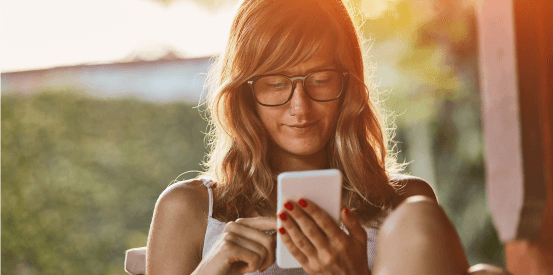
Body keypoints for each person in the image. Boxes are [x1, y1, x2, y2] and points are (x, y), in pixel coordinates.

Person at [146, 0, 470, 274]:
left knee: (420, 217)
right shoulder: (189, 210)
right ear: (245, 94)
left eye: (320, 79)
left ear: (348, 86)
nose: (299, 108)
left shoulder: (403, 204)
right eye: (275, 83)